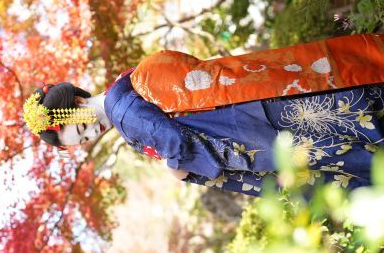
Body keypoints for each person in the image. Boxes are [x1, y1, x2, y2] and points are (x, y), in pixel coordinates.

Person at [23, 34, 384, 197]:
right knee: (341, 108)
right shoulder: (130, 82)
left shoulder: (124, 112)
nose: (93, 133)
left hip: (256, 129)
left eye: (83, 126)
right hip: (255, 105)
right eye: (85, 139)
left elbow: (176, 141)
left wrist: (175, 168)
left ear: (80, 99)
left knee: (338, 149)